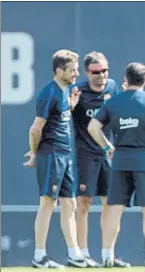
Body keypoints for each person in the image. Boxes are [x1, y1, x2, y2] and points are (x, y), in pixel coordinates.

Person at [87, 62, 145, 268]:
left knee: (114, 208)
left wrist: (108, 147)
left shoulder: (113, 102)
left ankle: (107, 256)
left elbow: (93, 127)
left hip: (120, 159)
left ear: (125, 80)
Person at [24, 49, 88, 268]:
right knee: (47, 204)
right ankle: (39, 256)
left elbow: (58, 117)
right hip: (51, 154)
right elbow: (35, 129)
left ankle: (74, 254)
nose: (76, 74)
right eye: (72, 70)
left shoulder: (65, 91)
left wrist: (70, 106)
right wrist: (34, 152)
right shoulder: (49, 92)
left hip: (65, 154)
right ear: (59, 71)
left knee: (70, 203)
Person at [71, 51, 129, 268]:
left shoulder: (113, 88)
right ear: (87, 73)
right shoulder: (79, 92)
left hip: (108, 153)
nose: (102, 75)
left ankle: (108, 254)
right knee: (84, 202)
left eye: (105, 70)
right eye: (97, 72)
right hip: (84, 153)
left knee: (110, 202)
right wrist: (70, 105)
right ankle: (82, 254)